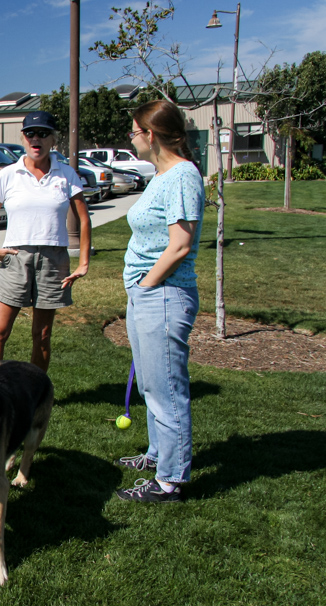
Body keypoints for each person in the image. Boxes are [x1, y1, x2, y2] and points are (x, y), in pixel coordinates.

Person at [114, 100, 205, 503]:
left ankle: (170, 481)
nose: (130, 139)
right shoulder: (162, 175)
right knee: (152, 384)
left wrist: (147, 286)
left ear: (151, 135)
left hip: (163, 295)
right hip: (147, 294)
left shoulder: (182, 175)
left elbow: (180, 245)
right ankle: (156, 455)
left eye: (134, 131)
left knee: (167, 389)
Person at [0, 110, 91, 371]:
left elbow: (84, 220)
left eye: (43, 133)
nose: (35, 139)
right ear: (23, 137)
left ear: (53, 139)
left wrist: (83, 262)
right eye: (30, 133)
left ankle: (36, 396)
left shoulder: (67, 175)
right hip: (16, 257)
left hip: (53, 260)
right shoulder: (9, 174)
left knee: (41, 337)